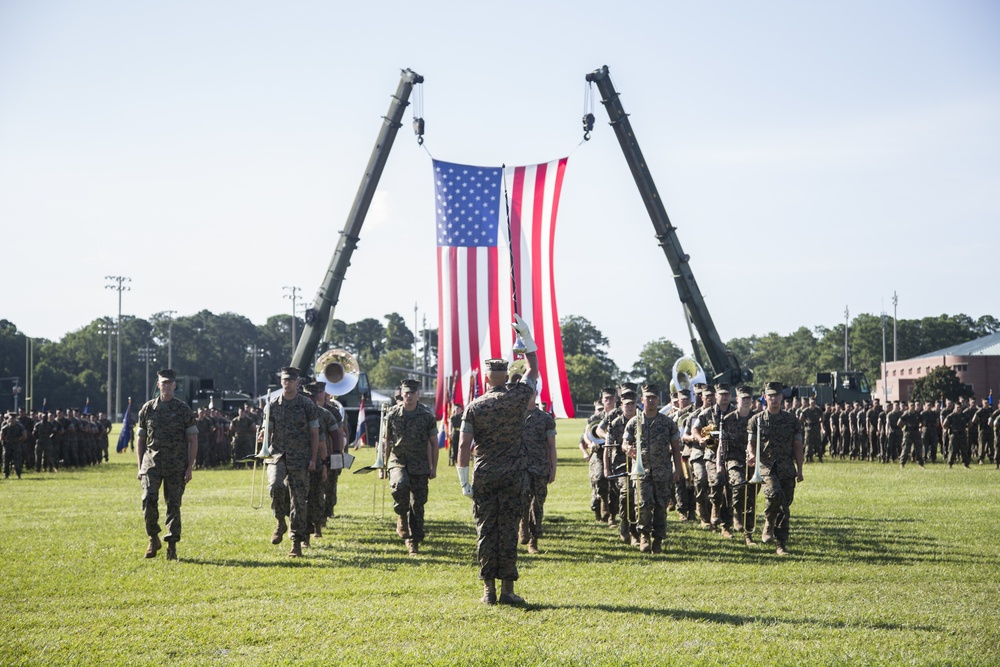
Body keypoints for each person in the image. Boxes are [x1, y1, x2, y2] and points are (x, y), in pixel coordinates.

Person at [456, 315, 539, 605]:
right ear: (506, 375)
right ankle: (507, 590)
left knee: (485, 530)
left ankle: (488, 591)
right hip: (513, 474)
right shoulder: (518, 396)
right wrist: (526, 337)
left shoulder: (475, 406)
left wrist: (464, 481)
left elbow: (464, 445)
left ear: (486, 378)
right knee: (508, 531)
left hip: (486, 475)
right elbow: (533, 369)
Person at [136, 369, 198, 560]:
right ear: (158, 385)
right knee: (148, 499)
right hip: (151, 463)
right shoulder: (148, 409)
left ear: (175, 385)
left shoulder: (183, 410)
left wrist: (189, 467)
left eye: (170, 383)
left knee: (173, 505)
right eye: (164, 383)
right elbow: (141, 439)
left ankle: (172, 545)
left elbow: (193, 439)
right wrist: (140, 466)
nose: (167, 386)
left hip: (176, 465)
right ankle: (153, 537)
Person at [263, 367, 320, 557]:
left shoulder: (306, 405)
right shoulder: (273, 404)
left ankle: (296, 541)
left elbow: (314, 434)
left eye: (291, 380)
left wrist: (313, 458)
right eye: (284, 380)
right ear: (281, 382)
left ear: (297, 383)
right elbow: (268, 430)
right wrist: (263, 437)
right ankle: (280, 520)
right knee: (275, 486)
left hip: (300, 457)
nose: (287, 383)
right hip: (277, 455)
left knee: (299, 501)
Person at [623, 384, 683, 554]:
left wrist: (678, 470)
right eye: (647, 397)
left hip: (663, 471)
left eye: (653, 398)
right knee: (642, 505)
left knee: (660, 506)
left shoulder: (668, 423)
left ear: (658, 400)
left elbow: (676, 449)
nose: (650, 401)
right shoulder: (634, 422)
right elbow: (624, 443)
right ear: (642, 400)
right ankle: (644, 536)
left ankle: (658, 539)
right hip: (641, 472)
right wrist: (628, 449)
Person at [746, 381, 803, 556]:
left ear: (782, 397)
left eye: (776, 395)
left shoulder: (791, 420)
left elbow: (798, 445)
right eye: (770, 395)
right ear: (765, 397)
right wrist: (751, 455)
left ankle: (781, 543)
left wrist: (800, 469)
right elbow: (751, 443)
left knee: (784, 506)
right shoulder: (756, 420)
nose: (774, 398)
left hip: (786, 466)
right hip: (766, 465)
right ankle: (768, 522)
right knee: (774, 494)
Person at [384, 378, 439, 556]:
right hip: (398, 460)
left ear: (418, 395)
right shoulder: (392, 414)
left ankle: (413, 542)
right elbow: (386, 441)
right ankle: (401, 515)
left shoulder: (427, 416)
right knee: (399, 485)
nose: (408, 396)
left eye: (412, 393)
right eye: (405, 393)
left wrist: (434, 467)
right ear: (402, 394)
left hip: (420, 463)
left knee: (418, 504)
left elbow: (433, 443)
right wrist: (383, 466)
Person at [719, 386, 757, 545]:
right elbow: (722, 444)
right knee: (739, 486)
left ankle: (748, 534)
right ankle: (733, 518)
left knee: (751, 497)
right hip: (733, 460)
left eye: (748, 398)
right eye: (743, 398)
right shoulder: (728, 419)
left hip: (753, 461)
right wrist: (720, 463)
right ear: (737, 399)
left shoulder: (757, 418)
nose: (746, 401)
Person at [519, 396, 557, 554]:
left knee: (537, 504)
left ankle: (534, 540)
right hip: (520, 467)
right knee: (522, 499)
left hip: (540, 468)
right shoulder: (515, 417)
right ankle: (523, 525)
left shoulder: (545, 418)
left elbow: (551, 446)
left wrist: (553, 468)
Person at [1, 412, 27, 479]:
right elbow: (1, 436)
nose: (12, 420)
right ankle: (6, 474)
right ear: (9, 419)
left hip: (16, 446)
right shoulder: (5, 427)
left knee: (17, 461)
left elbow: (24, 436)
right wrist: (5, 441)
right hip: (7, 446)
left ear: (15, 419)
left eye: (13, 418)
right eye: (11, 418)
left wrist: (19, 441)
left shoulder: (19, 427)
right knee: (6, 461)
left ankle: (18, 474)